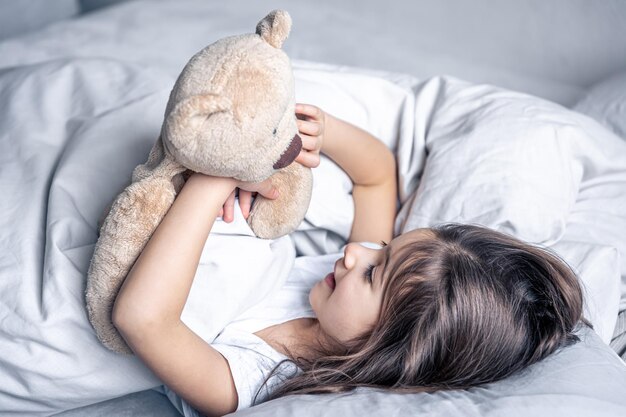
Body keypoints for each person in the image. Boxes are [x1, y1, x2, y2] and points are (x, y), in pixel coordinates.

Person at [112, 104, 588, 417]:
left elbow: (143, 319)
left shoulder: (251, 382)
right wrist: (326, 132)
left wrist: (214, 178)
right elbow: (377, 176)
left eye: (374, 272)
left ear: (390, 343)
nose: (356, 251)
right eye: (383, 248)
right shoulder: (343, 301)